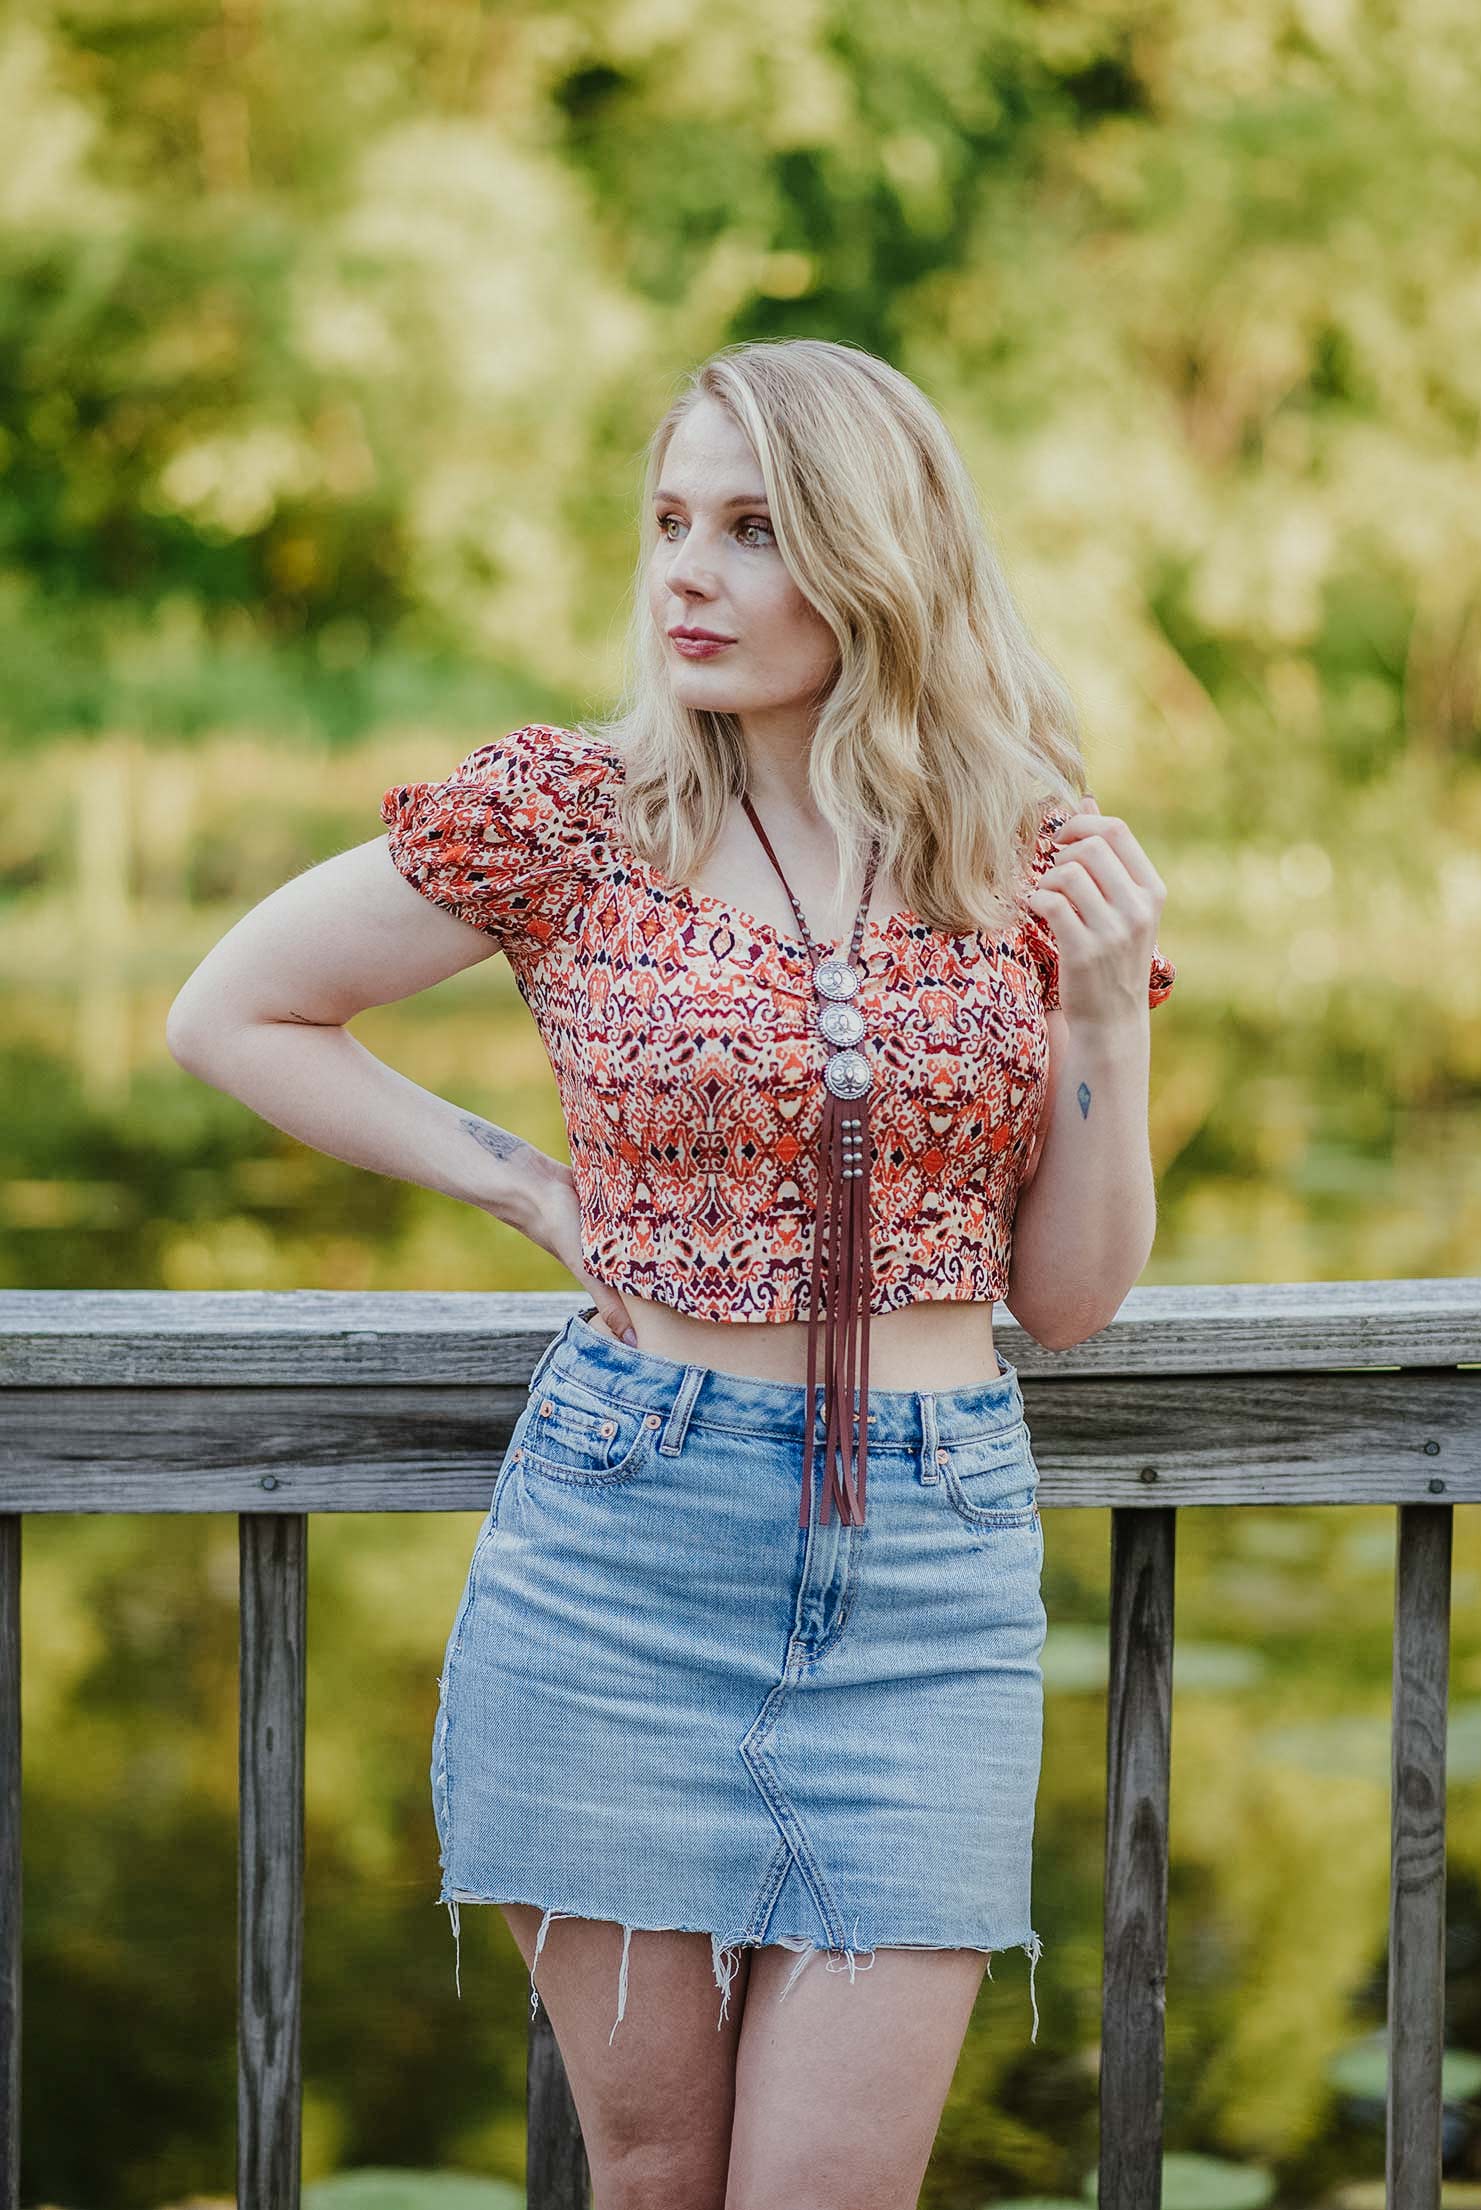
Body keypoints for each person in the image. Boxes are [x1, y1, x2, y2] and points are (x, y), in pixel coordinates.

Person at [166, 336, 1174, 2210]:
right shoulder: (577, 815)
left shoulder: (1020, 851)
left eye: (753, 529)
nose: (686, 575)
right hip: (628, 1544)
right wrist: (533, 1191)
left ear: (879, 557)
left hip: (931, 1572)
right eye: (668, 524)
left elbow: (1072, 1297)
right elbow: (235, 1009)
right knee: (652, 2181)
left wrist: (1104, 1001)